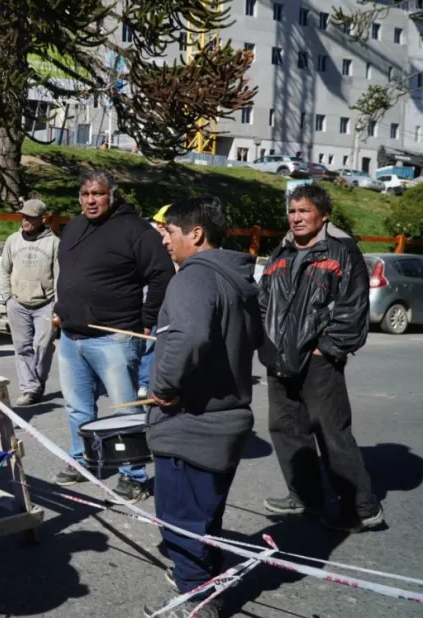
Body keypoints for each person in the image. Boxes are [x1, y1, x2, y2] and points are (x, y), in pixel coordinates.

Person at [143, 196, 262, 618]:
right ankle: (206, 581)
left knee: (181, 519)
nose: (165, 241)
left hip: (192, 424)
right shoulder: (236, 275)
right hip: (227, 421)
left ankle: (197, 601)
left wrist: (164, 386)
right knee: (205, 516)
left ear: (195, 234)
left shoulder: (193, 277)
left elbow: (190, 336)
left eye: (170, 232)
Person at [258, 184, 384, 533]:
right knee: (286, 429)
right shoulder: (281, 251)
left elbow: (352, 308)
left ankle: (362, 508)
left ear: (323, 215)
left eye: (304, 211)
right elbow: (264, 300)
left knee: (331, 433)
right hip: (279, 357)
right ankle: (305, 498)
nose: (296, 218)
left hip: (319, 359)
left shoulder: (341, 250)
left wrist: (326, 348)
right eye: (292, 211)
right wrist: (266, 343)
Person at [52, 172, 174, 502]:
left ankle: (133, 475)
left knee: (124, 411)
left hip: (115, 337)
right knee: (77, 408)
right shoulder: (73, 228)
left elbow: (162, 275)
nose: (91, 200)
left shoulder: (136, 230)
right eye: (85, 194)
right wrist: (62, 309)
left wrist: (148, 321)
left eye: (98, 193)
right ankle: (83, 461)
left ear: (112, 195)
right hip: (71, 336)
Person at [0, 198, 59, 406]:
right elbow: (4, 269)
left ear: (42, 219)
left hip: (46, 303)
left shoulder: (54, 243)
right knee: (22, 347)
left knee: (43, 346)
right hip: (18, 303)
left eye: (30, 218)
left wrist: (57, 305)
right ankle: (29, 389)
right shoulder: (13, 240)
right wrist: (7, 298)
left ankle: (38, 382)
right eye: (23, 217)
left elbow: (59, 276)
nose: (25, 221)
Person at [137, 203, 172, 398]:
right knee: (143, 343)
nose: (159, 225)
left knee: (152, 345)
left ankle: (144, 382)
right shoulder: (148, 242)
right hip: (145, 301)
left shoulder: (174, 246)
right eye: (158, 222)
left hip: (164, 304)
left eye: (163, 223)